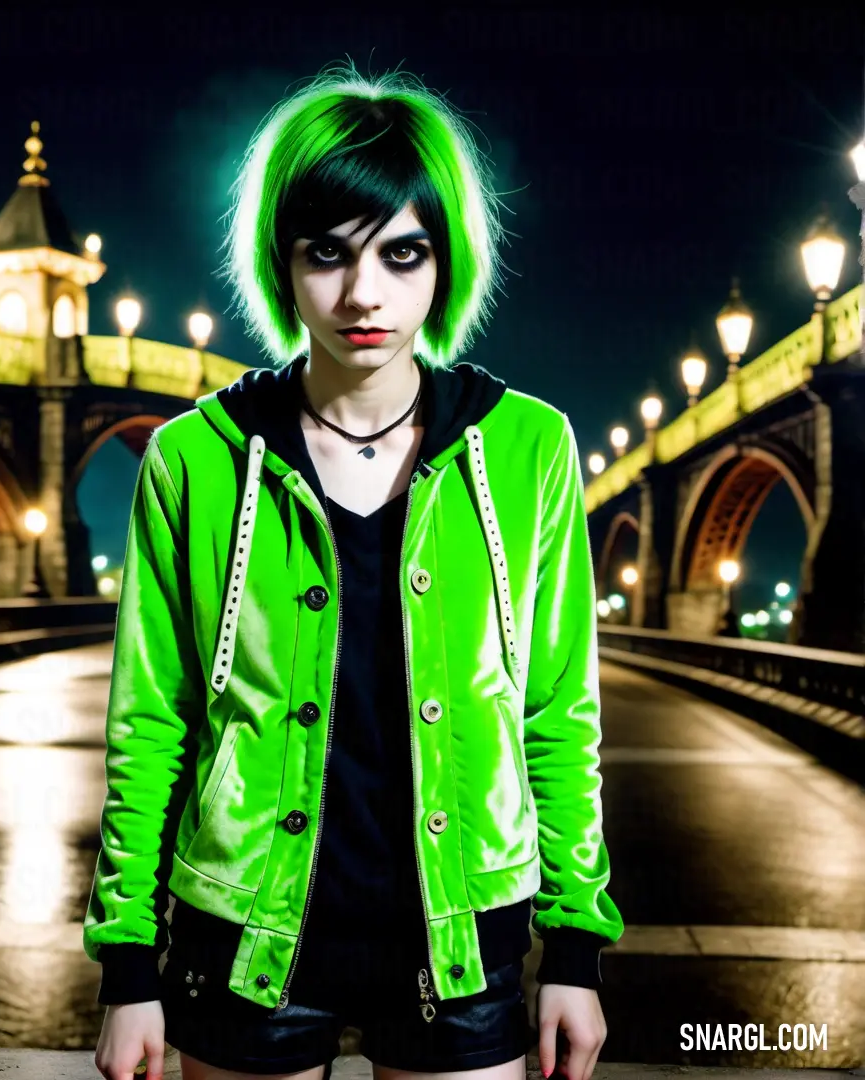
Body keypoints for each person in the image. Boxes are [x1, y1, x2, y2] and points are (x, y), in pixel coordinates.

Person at [88, 59, 623, 1080]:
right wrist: (125, 967)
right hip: (240, 937)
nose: (363, 293)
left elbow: (557, 712)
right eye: (327, 253)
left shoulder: (526, 450)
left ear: (446, 263)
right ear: (282, 265)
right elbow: (150, 724)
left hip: (463, 942)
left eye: (403, 253)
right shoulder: (197, 461)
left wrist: (578, 951)